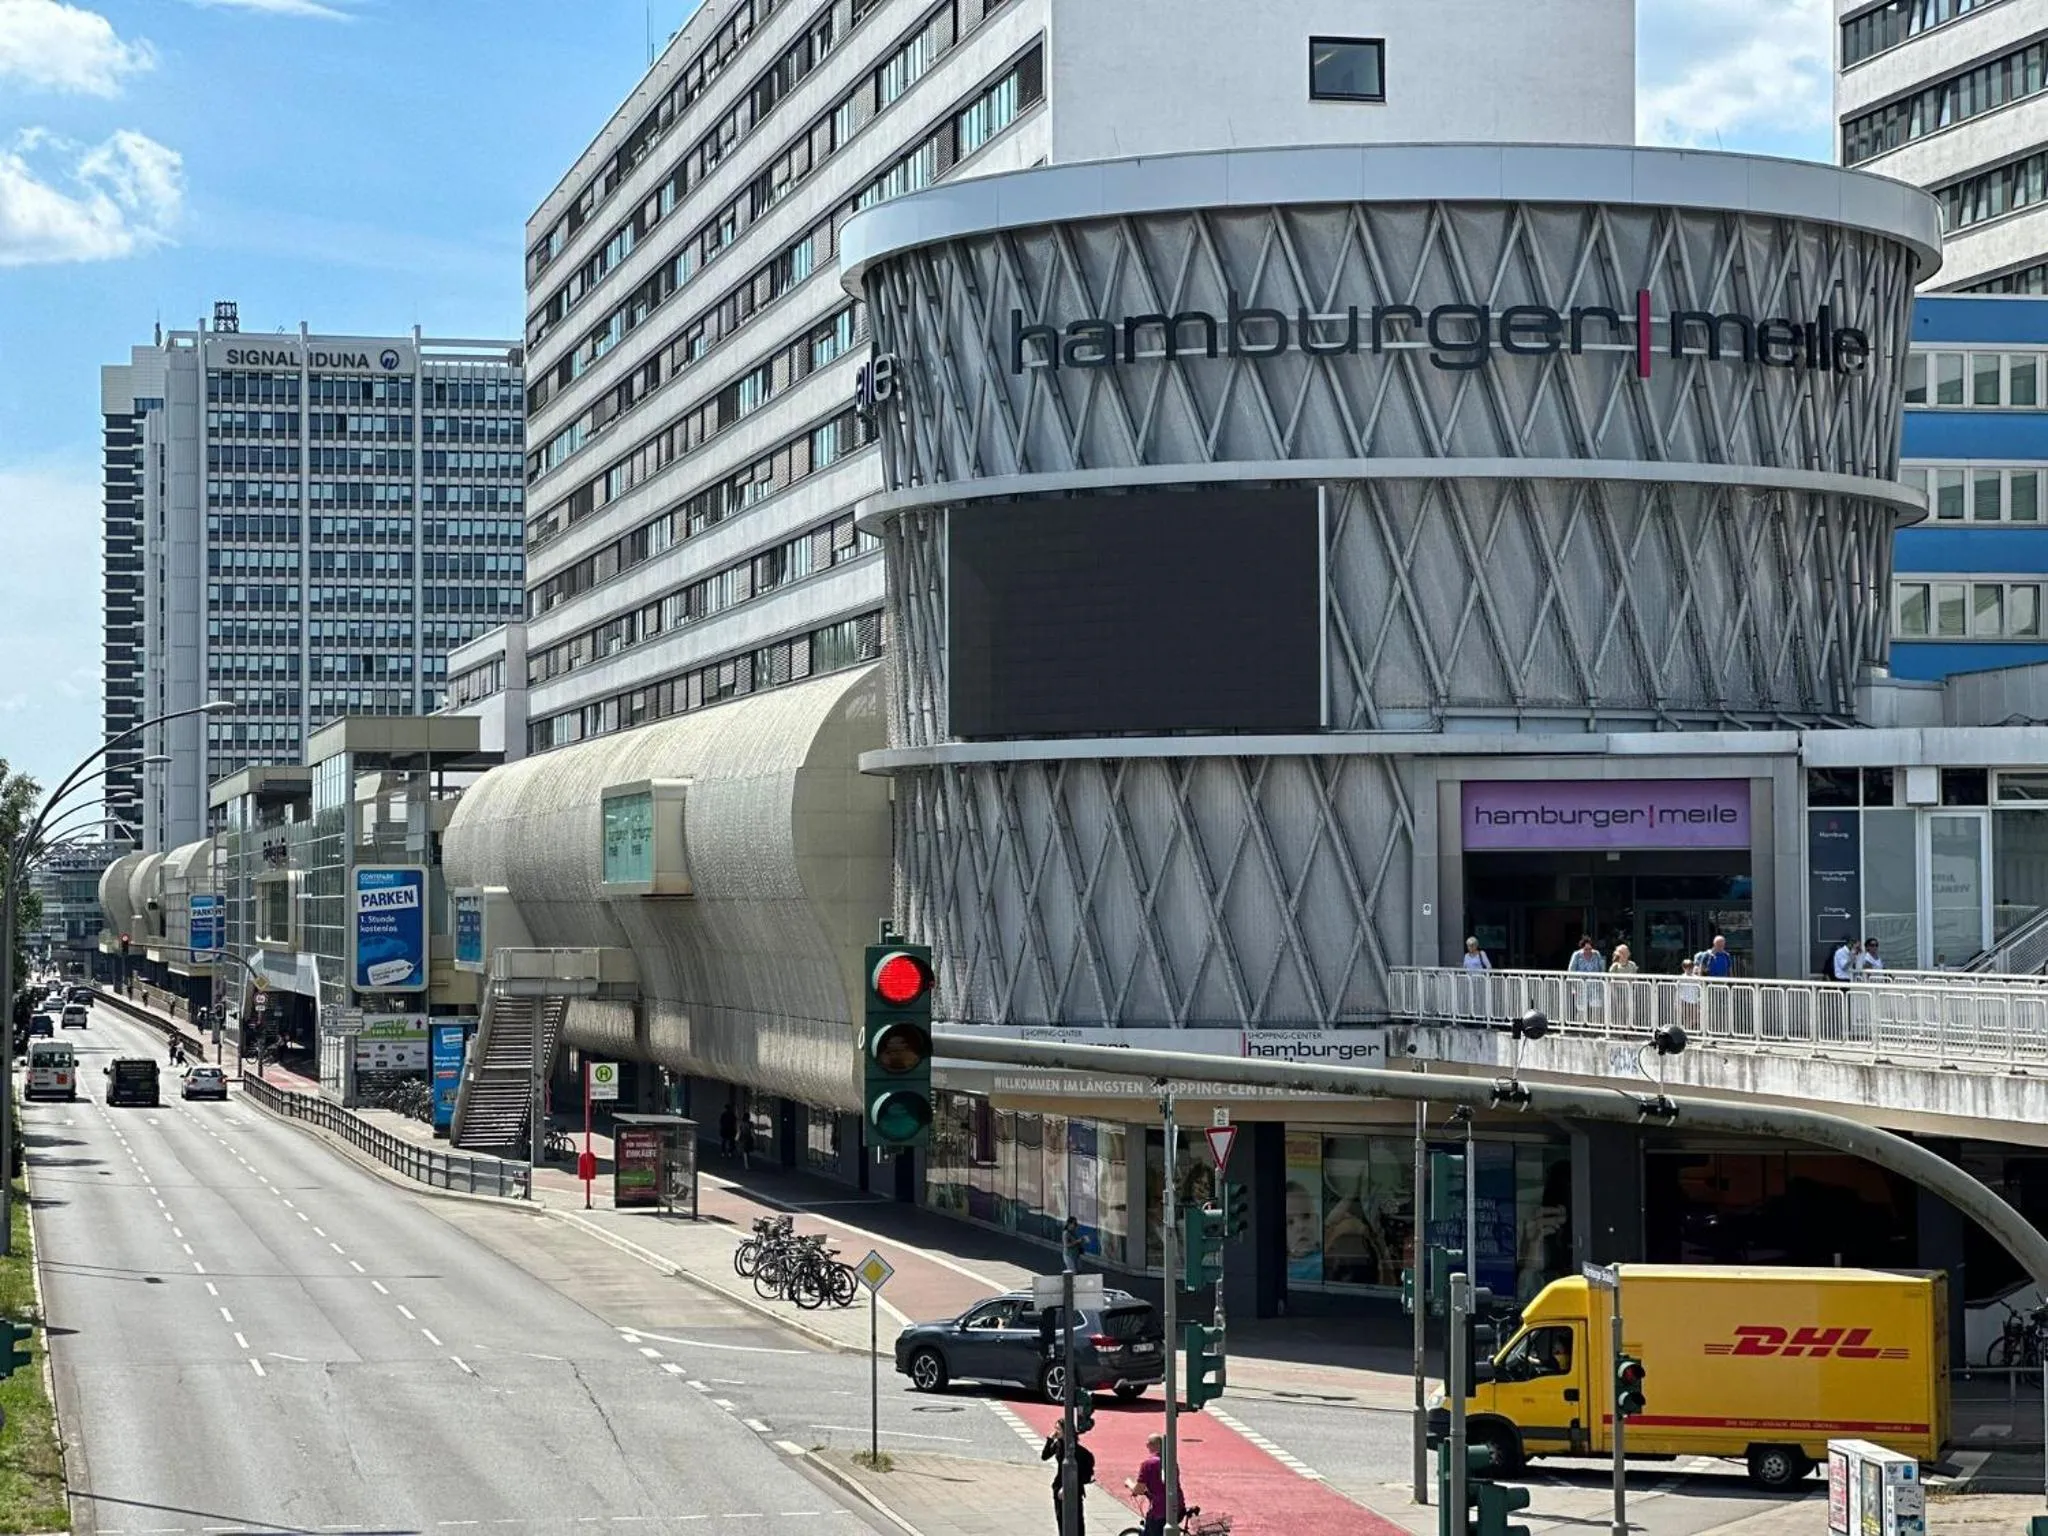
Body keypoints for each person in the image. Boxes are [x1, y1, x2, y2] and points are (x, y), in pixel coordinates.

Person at [1125, 1432, 1184, 1536]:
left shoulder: (1148, 1464)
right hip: (1178, 1507)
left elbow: (1138, 1489)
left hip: (1160, 1510)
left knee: (1151, 1530)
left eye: (1148, 1444)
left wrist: (1129, 1483)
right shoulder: (1171, 1461)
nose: (1147, 1446)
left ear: (1153, 1445)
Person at [1042, 1422, 1095, 1535]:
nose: (1056, 1431)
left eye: (1058, 1429)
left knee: (1077, 1520)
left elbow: (1082, 1473)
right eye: (1055, 1428)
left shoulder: (1078, 1451)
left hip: (1074, 1489)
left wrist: (1066, 1487)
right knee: (1061, 1519)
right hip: (1058, 1487)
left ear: (1066, 1432)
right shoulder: (1058, 1445)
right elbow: (1044, 1456)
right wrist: (1050, 1439)